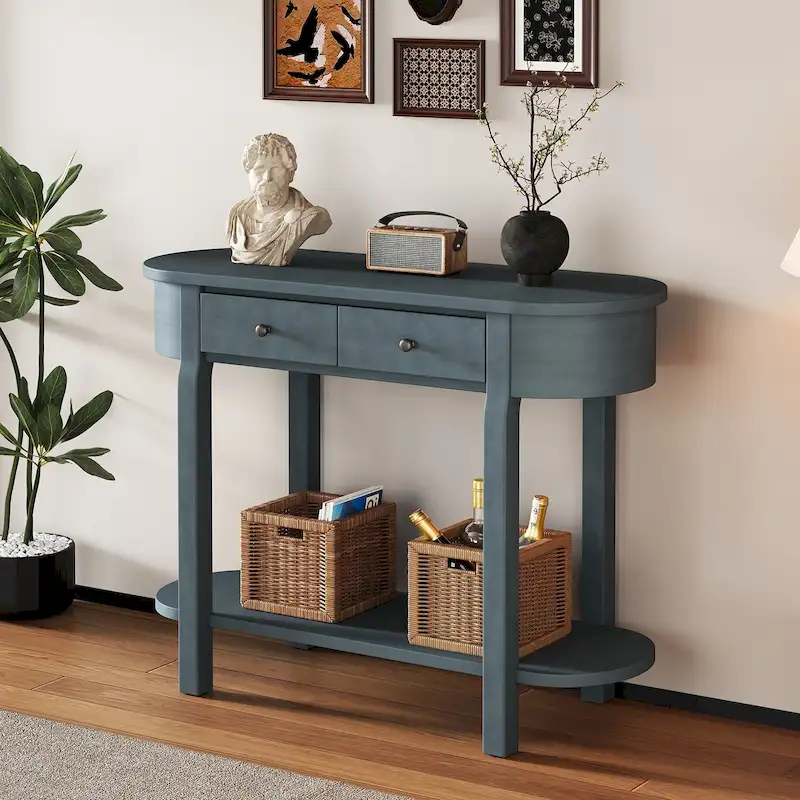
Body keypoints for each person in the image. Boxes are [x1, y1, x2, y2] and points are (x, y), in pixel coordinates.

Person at [227, 134, 332, 266]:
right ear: (249, 173)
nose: (267, 177)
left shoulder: (309, 216)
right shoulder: (237, 215)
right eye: (259, 169)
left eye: (275, 169)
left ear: (290, 173)